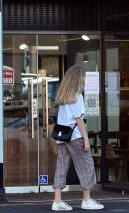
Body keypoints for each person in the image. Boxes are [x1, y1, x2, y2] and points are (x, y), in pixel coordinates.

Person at [51, 65, 104, 211]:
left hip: (62, 137)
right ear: (79, 79)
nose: (85, 80)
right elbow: (79, 120)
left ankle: (57, 201)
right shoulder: (77, 96)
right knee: (86, 166)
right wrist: (86, 140)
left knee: (61, 167)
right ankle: (86, 200)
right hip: (75, 137)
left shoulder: (62, 97)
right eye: (84, 78)